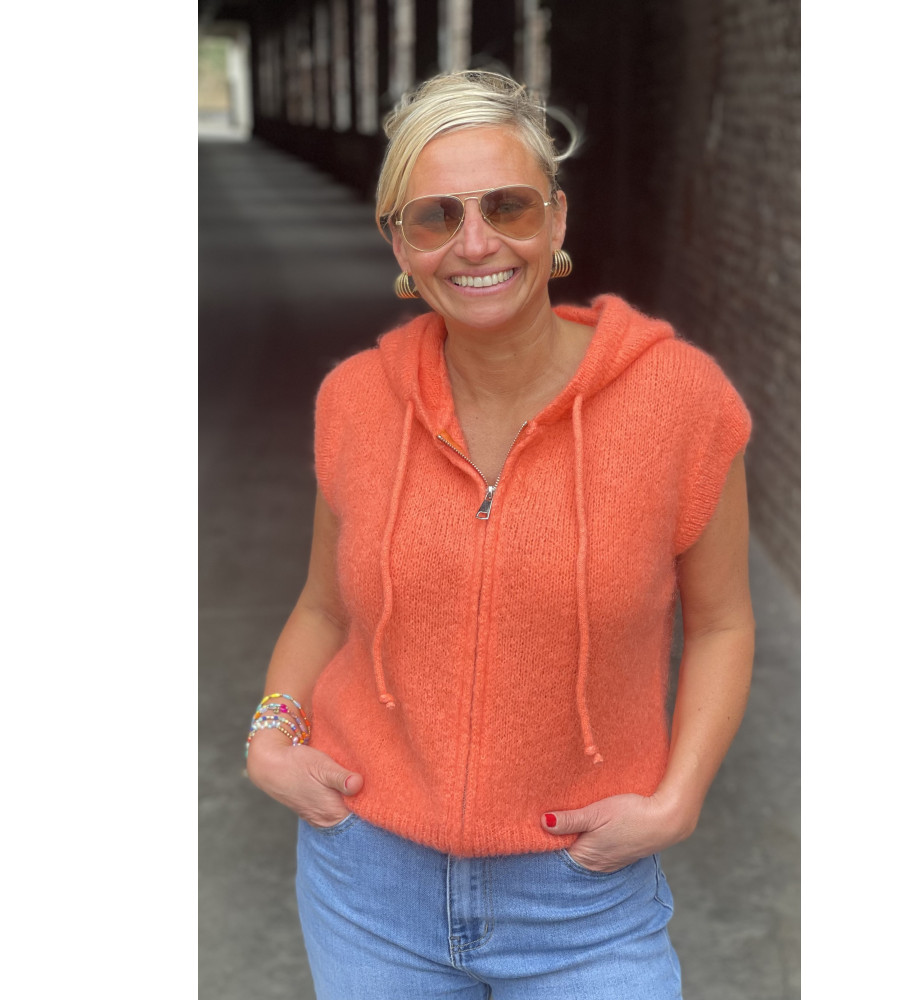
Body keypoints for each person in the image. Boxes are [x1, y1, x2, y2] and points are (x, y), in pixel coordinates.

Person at [246, 70, 754, 999]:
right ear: (400, 243)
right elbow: (323, 608)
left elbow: (722, 622)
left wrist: (679, 797)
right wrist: (271, 733)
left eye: (507, 206)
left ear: (556, 220)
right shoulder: (355, 401)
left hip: (583, 899)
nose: (475, 243)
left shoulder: (680, 401)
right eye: (436, 217)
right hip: (368, 887)